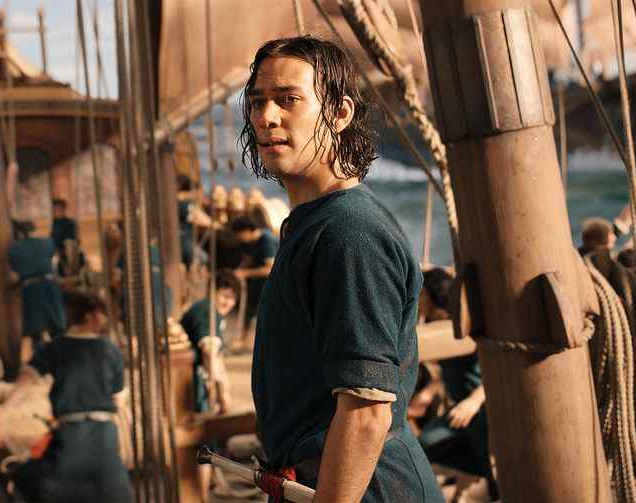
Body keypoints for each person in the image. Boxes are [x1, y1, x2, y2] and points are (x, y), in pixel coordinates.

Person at [242, 36, 443, 502]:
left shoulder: (349, 233)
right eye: (257, 103)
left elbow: (366, 412)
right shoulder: (314, 224)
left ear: (340, 113)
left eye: (289, 100)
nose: (266, 117)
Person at [9, 291, 133, 503]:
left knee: (25, 481)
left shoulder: (53, 347)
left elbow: (27, 377)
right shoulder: (110, 350)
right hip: (104, 437)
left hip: (70, 436)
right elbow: (119, 400)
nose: (103, 321)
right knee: (116, 493)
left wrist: (5, 412)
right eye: (102, 314)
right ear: (91, 315)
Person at [416, 268, 493, 500]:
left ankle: (489, 480)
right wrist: (428, 392)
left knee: (491, 466)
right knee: (425, 444)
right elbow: (446, 370)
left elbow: (494, 371)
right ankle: (480, 476)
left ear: (431, 294)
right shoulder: (437, 324)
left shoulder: (462, 323)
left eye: (420, 294)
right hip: (459, 412)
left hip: (480, 410)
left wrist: (473, 402)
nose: (418, 299)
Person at [180, 270, 241, 415]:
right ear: (212, 291)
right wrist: (222, 396)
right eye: (224, 296)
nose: (228, 303)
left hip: (197, 377)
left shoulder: (214, 312)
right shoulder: (206, 311)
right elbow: (210, 352)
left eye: (233, 298)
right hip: (189, 382)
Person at [8, 220, 67, 362]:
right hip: (49, 286)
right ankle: (64, 360)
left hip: (30, 289)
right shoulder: (47, 243)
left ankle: (33, 365)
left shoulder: (15, 250)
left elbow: (16, 269)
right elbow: (52, 257)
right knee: (57, 328)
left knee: (32, 331)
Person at [231, 215, 278, 341]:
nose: (238, 238)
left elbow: (270, 269)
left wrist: (245, 273)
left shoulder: (266, 241)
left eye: (239, 234)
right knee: (249, 311)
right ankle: (243, 340)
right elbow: (249, 259)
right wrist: (240, 269)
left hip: (271, 284)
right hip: (257, 283)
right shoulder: (251, 242)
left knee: (266, 314)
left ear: (247, 230)